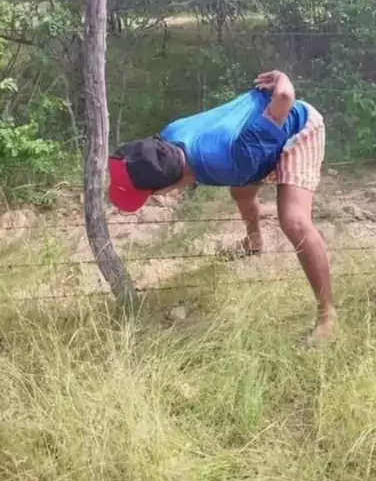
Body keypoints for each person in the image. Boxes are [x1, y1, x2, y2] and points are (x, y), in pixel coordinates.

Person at [108, 70, 336, 344]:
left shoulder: (229, 160)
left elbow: (285, 97)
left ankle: (328, 316)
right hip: (253, 141)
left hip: (299, 127)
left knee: (293, 220)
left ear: (165, 188)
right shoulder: (170, 138)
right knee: (241, 190)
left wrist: (281, 77)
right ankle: (253, 242)